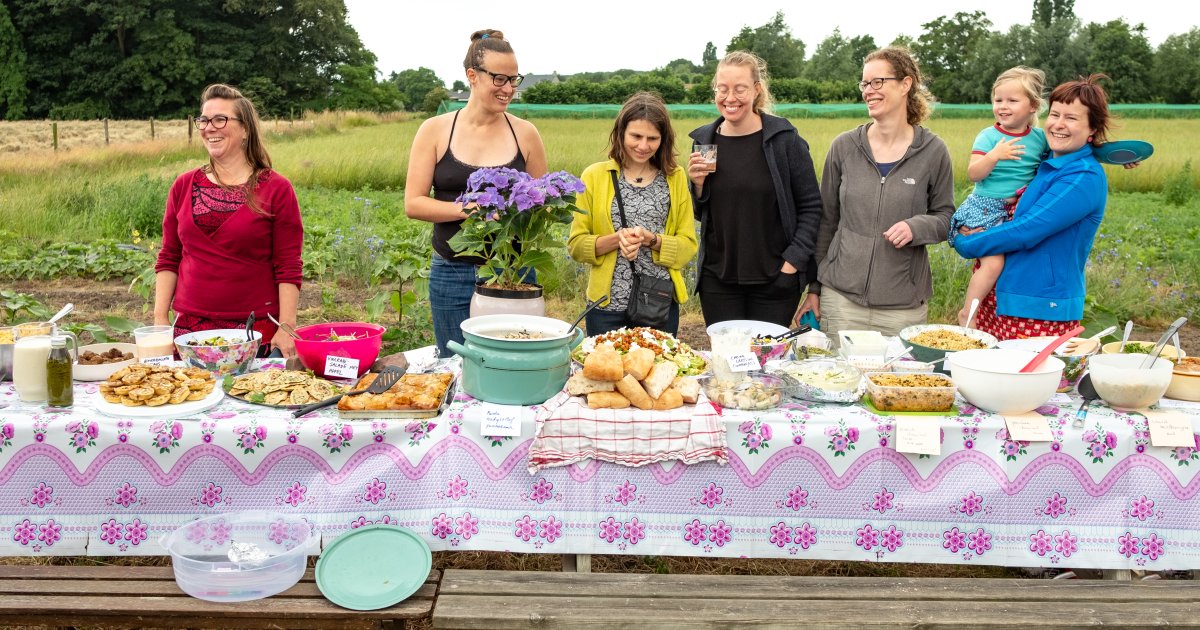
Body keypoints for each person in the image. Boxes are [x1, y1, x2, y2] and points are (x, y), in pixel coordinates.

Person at [404, 29, 547, 356]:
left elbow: (544, 202)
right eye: (499, 79)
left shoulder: (526, 134)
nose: (508, 89)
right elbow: (414, 203)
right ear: (472, 75)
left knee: (512, 362)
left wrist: (528, 212)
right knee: (455, 363)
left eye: (514, 79)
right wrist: (470, 209)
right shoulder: (435, 130)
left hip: (512, 270)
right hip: (451, 270)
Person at [798, 47, 955, 338]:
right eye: (864, 83)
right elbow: (826, 222)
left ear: (905, 84)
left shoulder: (933, 151)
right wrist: (815, 288)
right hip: (841, 302)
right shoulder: (844, 147)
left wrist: (917, 227)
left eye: (877, 82)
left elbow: (946, 217)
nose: (868, 90)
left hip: (902, 308)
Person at [952, 75, 1114, 341]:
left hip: (1039, 306)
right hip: (1003, 297)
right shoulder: (1047, 161)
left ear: (1092, 128)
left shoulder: (1082, 176)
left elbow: (1027, 230)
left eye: (1071, 118)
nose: (1059, 124)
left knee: (1027, 369)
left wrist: (965, 243)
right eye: (1055, 114)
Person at [154, 83, 303, 358]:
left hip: (253, 331)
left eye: (220, 119)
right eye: (204, 120)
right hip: (189, 332)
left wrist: (286, 326)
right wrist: (160, 319)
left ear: (245, 129)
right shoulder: (183, 185)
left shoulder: (276, 188)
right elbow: (169, 256)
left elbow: (288, 264)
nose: (209, 128)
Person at [686, 51, 822, 328]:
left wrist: (792, 264)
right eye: (722, 89)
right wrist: (697, 186)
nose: (730, 98)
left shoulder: (784, 141)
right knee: (726, 354)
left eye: (740, 89)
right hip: (718, 281)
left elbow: (811, 207)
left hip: (775, 280)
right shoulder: (704, 142)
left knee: (767, 355)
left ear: (757, 89)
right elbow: (703, 214)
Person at [568, 92, 698, 336]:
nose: (643, 146)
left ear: (664, 139)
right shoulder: (594, 176)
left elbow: (688, 246)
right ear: (621, 133)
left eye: (653, 138)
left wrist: (651, 240)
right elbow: (576, 246)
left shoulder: (675, 177)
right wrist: (618, 239)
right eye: (636, 136)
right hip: (606, 307)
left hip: (658, 304)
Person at [951, 66, 1048, 327]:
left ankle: (1001, 319)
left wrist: (1116, 156)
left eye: (1012, 100)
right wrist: (994, 156)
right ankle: (968, 313)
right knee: (993, 265)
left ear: (1033, 106)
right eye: (998, 100)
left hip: (1015, 212)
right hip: (984, 208)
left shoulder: (1040, 138)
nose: (1003, 106)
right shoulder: (989, 136)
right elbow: (974, 174)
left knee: (1013, 264)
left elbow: (1069, 150)